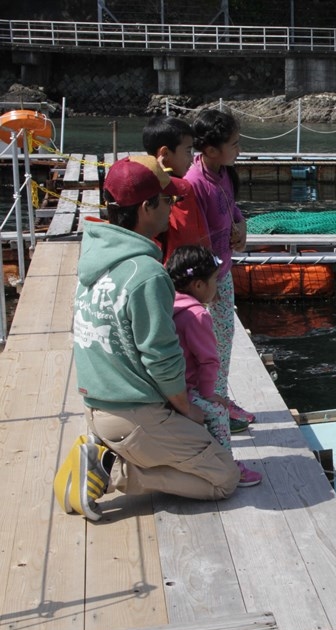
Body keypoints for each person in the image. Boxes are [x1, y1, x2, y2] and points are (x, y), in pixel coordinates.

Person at [67, 156, 240, 519]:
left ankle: (109, 449)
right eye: (167, 202)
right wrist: (186, 410)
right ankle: (117, 471)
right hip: (134, 413)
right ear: (147, 207)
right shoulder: (147, 274)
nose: (173, 208)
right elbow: (161, 358)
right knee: (224, 477)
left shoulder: (94, 258)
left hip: (97, 406)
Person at [166, 244, 262, 487]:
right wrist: (210, 395)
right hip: (185, 390)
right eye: (214, 281)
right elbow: (209, 361)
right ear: (198, 285)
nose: (217, 287)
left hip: (168, 385)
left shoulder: (169, 304)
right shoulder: (198, 316)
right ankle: (227, 464)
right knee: (218, 413)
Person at [184, 108, 255, 433]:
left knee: (223, 339)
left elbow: (231, 207)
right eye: (235, 143)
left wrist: (241, 226)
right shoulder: (194, 182)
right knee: (207, 346)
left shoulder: (224, 173)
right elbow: (192, 234)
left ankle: (219, 397)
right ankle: (212, 403)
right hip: (202, 281)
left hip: (221, 273)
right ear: (211, 149)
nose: (239, 149)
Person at [141, 115, 212, 263]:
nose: (191, 158)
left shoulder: (142, 189)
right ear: (165, 154)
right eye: (187, 151)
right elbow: (191, 234)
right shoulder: (181, 189)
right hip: (183, 272)